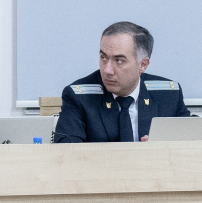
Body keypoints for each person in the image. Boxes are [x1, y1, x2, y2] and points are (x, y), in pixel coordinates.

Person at [54, 21, 189, 143]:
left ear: (143, 64)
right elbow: (66, 153)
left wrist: (162, 148)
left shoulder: (168, 95)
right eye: (103, 58)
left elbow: (193, 139)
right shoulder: (79, 97)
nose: (107, 70)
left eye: (119, 61)